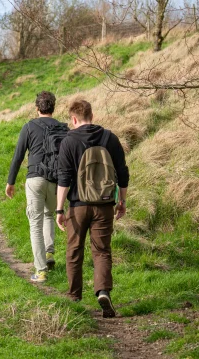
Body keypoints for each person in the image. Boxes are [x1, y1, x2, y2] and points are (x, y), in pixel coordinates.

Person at [56, 99, 128, 318]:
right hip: (104, 204)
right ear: (92, 115)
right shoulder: (110, 138)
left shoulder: (68, 141)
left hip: (78, 206)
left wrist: (59, 209)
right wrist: (121, 201)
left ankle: (73, 297)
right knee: (102, 251)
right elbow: (123, 172)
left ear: (74, 119)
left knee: (74, 250)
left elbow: (64, 178)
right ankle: (103, 291)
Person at [6, 91, 68, 283]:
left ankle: (40, 270)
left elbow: (18, 156)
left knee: (35, 223)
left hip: (35, 179)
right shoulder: (63, 128)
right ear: (53, 107)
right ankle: (49, 253)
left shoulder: (29, 127)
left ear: (36, 108)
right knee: (50, 214)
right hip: (56, 181)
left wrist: (11, 182)